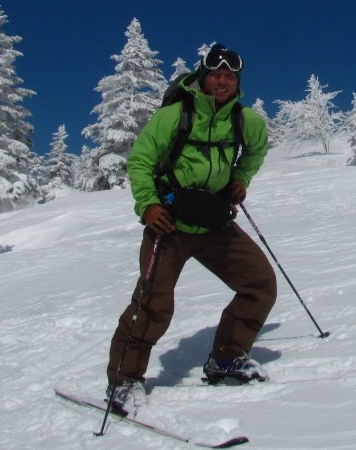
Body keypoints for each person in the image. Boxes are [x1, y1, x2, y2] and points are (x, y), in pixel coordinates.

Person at [106, 43, 276, 416]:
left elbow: (257, 150)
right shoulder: (174, 116)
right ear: (203, 76)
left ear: (237, 83)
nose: (222, 81)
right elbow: (140, 161)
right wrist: (148, 205)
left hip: (214, 222)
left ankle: (227, 358)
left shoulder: (245, 120)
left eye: (230, 76)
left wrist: (241, 178)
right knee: (153, 304)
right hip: (170, 224)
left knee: (260, 283)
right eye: (216, 74)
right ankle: (124, 382)